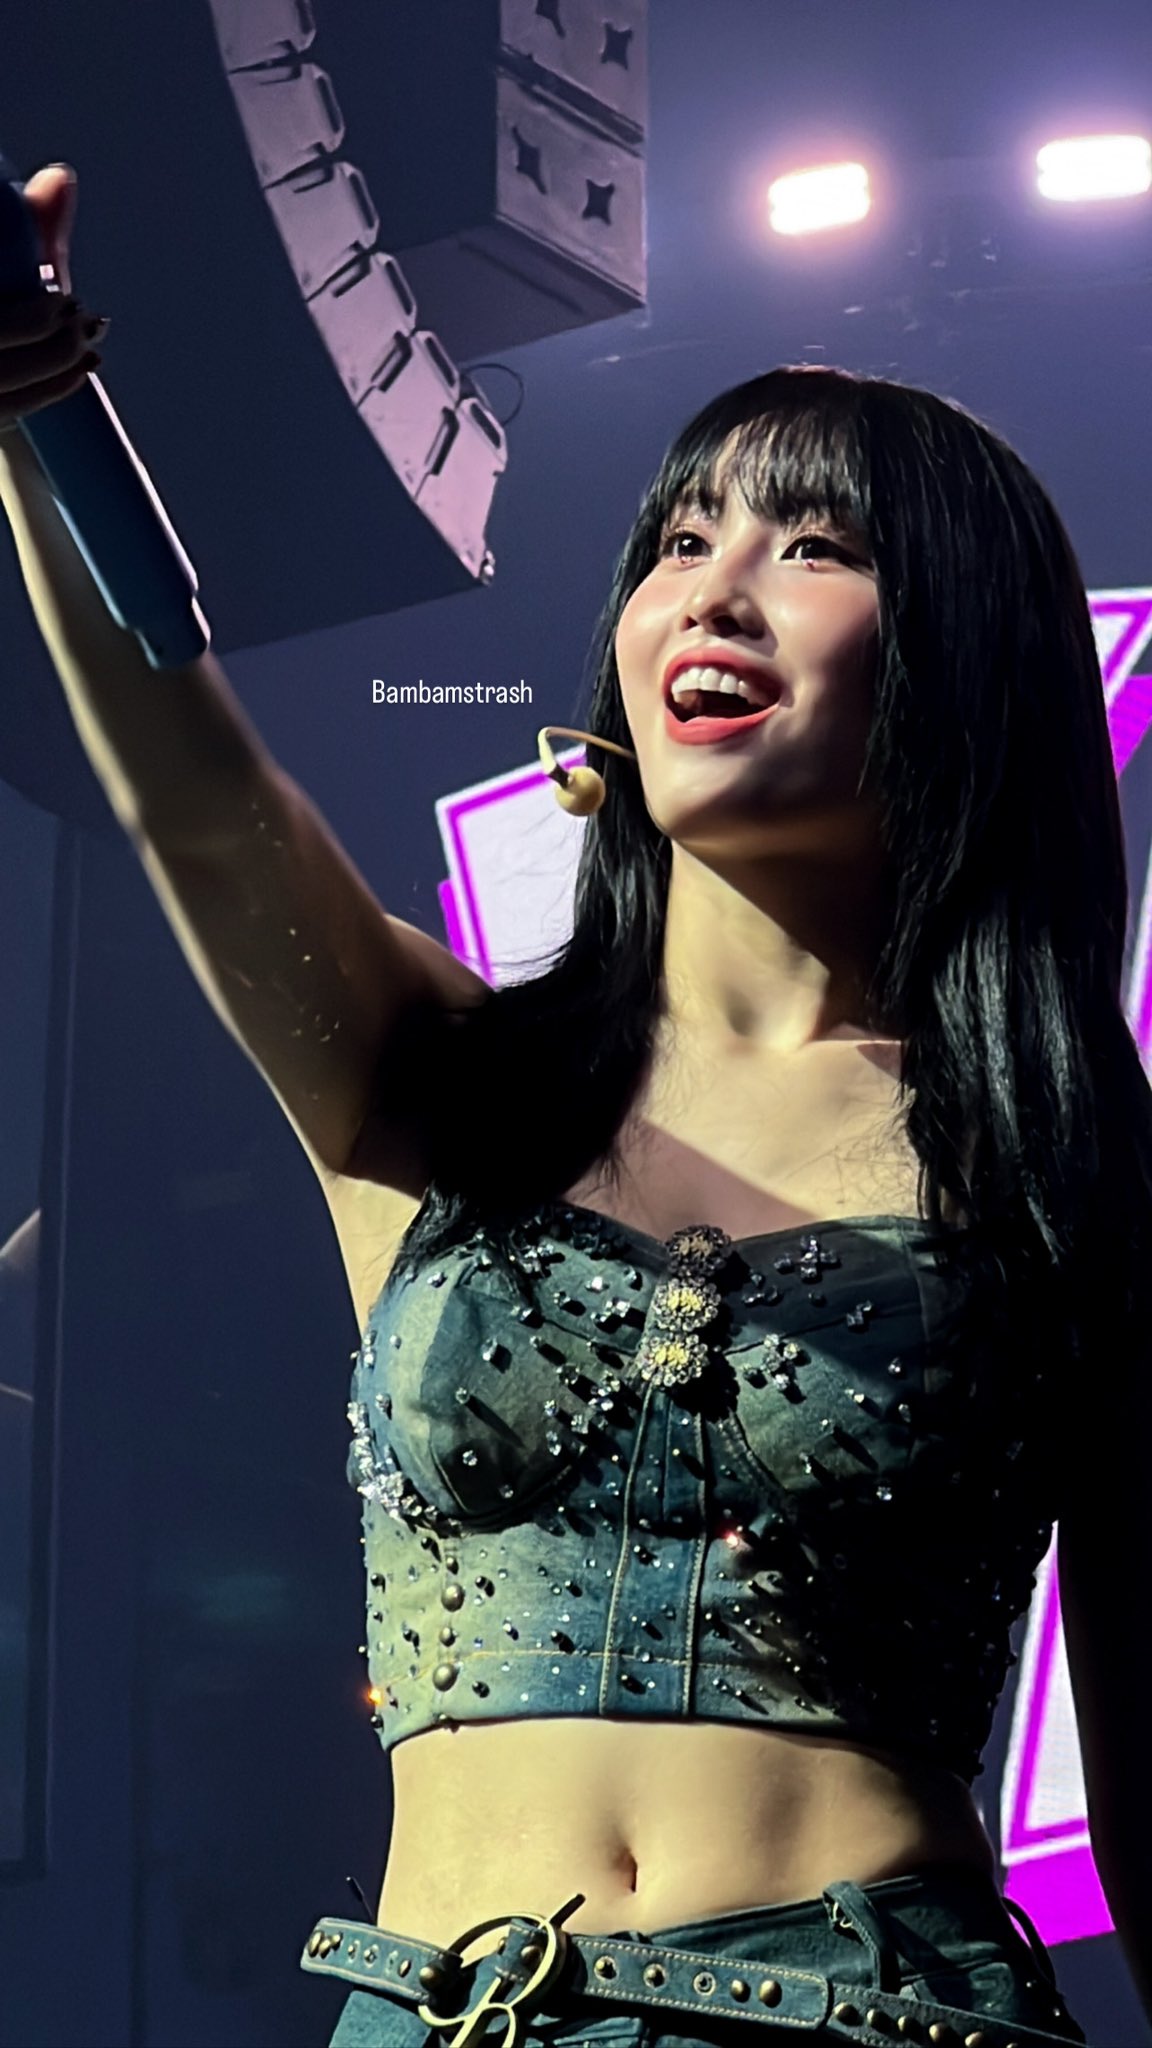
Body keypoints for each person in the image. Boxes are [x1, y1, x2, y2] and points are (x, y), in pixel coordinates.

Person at [1, 162, 1147, 2048]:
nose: (716, 589)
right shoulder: (435, 1075)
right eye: (683, 538)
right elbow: (194, 796)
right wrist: (40, 405)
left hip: (866, 2017)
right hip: (425, 2013)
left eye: (814, 547)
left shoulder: (1056, 1162)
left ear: (966, 661)